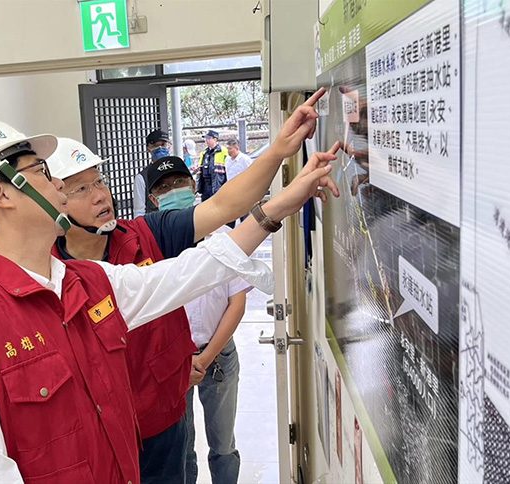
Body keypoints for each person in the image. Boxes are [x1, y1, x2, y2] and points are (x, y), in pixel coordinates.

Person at [0, 114, 340, 483]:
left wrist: (278, 205)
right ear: (2, 193)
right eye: (42, 170)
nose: (58, 185)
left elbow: (193, 271)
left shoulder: (90, 282)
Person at [44, 88, 332, 484]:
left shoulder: (148, 233)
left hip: (163, 420)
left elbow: (222, 208)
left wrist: (278, 151)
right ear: (55, 201)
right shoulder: (48, 274)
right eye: (81, 189)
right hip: (101, 435)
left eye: (100, 182)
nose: (100, 196)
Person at [144, 162, 249, 484]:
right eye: (163, 188)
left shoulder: (223, 238)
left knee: (223, 444)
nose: (173, 191)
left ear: (192, 185)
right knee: (182, 446)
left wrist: (204, 358)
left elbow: (237, 303)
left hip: (218, 356)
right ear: (152, 199)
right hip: (171, 363)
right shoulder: (152, 246)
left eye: (179, 182)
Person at [133, 129, 172, 217]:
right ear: (149, 149)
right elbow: (139, 212)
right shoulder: (142, 178)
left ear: (169, 146)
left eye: (163, 145)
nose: (160, 149)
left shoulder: (178, 170)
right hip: (155, 226)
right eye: (155, 146)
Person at [197, 130, 228, 201]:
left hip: (218, 185)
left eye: (208, 138)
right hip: (206, 186)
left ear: (215, 139)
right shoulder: (204, 152)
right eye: (206, 139)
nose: (206, 141)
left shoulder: (223, 151)